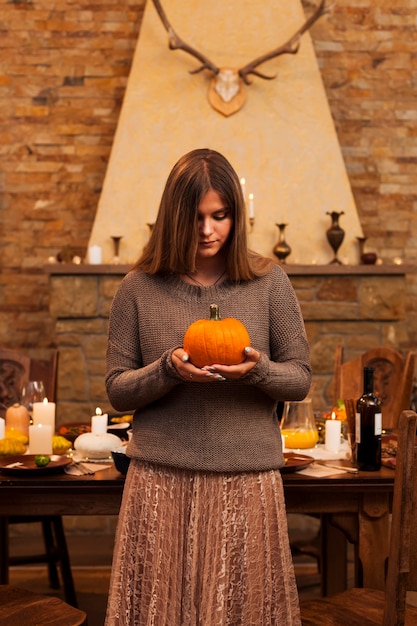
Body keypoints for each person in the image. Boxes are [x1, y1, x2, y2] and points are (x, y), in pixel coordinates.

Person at [104, 148, 311, 625]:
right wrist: (167, 370)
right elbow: (118, 390)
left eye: (220, 215)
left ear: (237, 215)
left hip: (247, 479)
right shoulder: (137, 287)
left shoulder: (269, 282)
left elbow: (299, 379)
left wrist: (258, 370)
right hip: (159, 479)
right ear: (172, 217)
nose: (208, 230)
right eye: (195, 217)